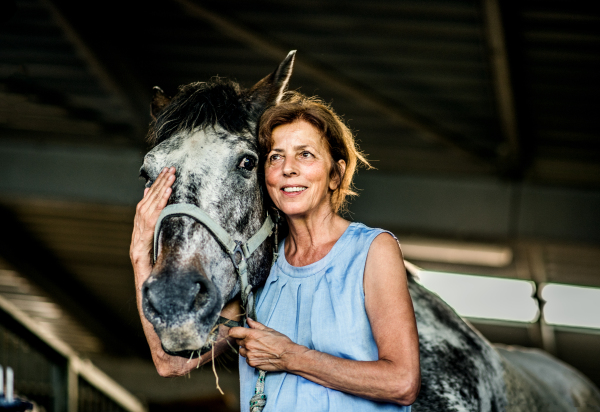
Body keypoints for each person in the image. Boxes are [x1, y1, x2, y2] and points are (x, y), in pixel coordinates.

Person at [130, 92, 420, 410]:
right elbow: (170, 363)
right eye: (275, 157)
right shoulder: (259, 271)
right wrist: (140, 253)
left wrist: (290, 357)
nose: (288, 169)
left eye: (305, 155)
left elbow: (402, 383)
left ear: (335, 175)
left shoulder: (372, 250)